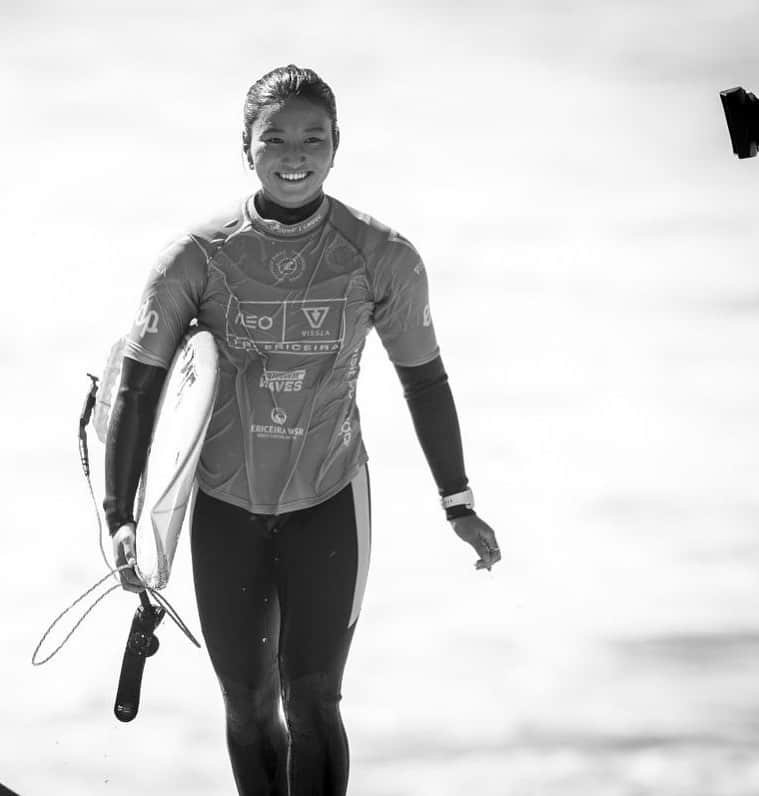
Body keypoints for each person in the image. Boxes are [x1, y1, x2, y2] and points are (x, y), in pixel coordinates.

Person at [103, 64, 501, 796]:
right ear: (245, 147)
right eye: (275, 138)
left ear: (336, 144)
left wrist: (458, 500)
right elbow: (139, 380)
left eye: (313, 138)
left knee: (314, 703)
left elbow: (425, 378)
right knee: (249, 708)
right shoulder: (196, 256)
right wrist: (120, 517)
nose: (295, 154)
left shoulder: (381, 255)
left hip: (328, 498)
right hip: (226, 505)